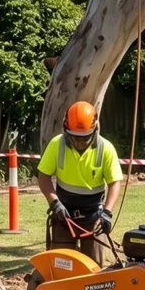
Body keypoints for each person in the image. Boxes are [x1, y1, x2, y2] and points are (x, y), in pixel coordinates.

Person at [37, 101, 123, 266]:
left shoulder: (106, 149)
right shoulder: (57, 145)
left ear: (95, 128)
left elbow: (114, 183)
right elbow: (43, 177)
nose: (79, 142)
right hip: (64, 215)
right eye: (75, 137)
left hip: (93, 217)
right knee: (61, 264)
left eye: (84, 137)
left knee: (94, 266)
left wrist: (107, 212)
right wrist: (54, 203)